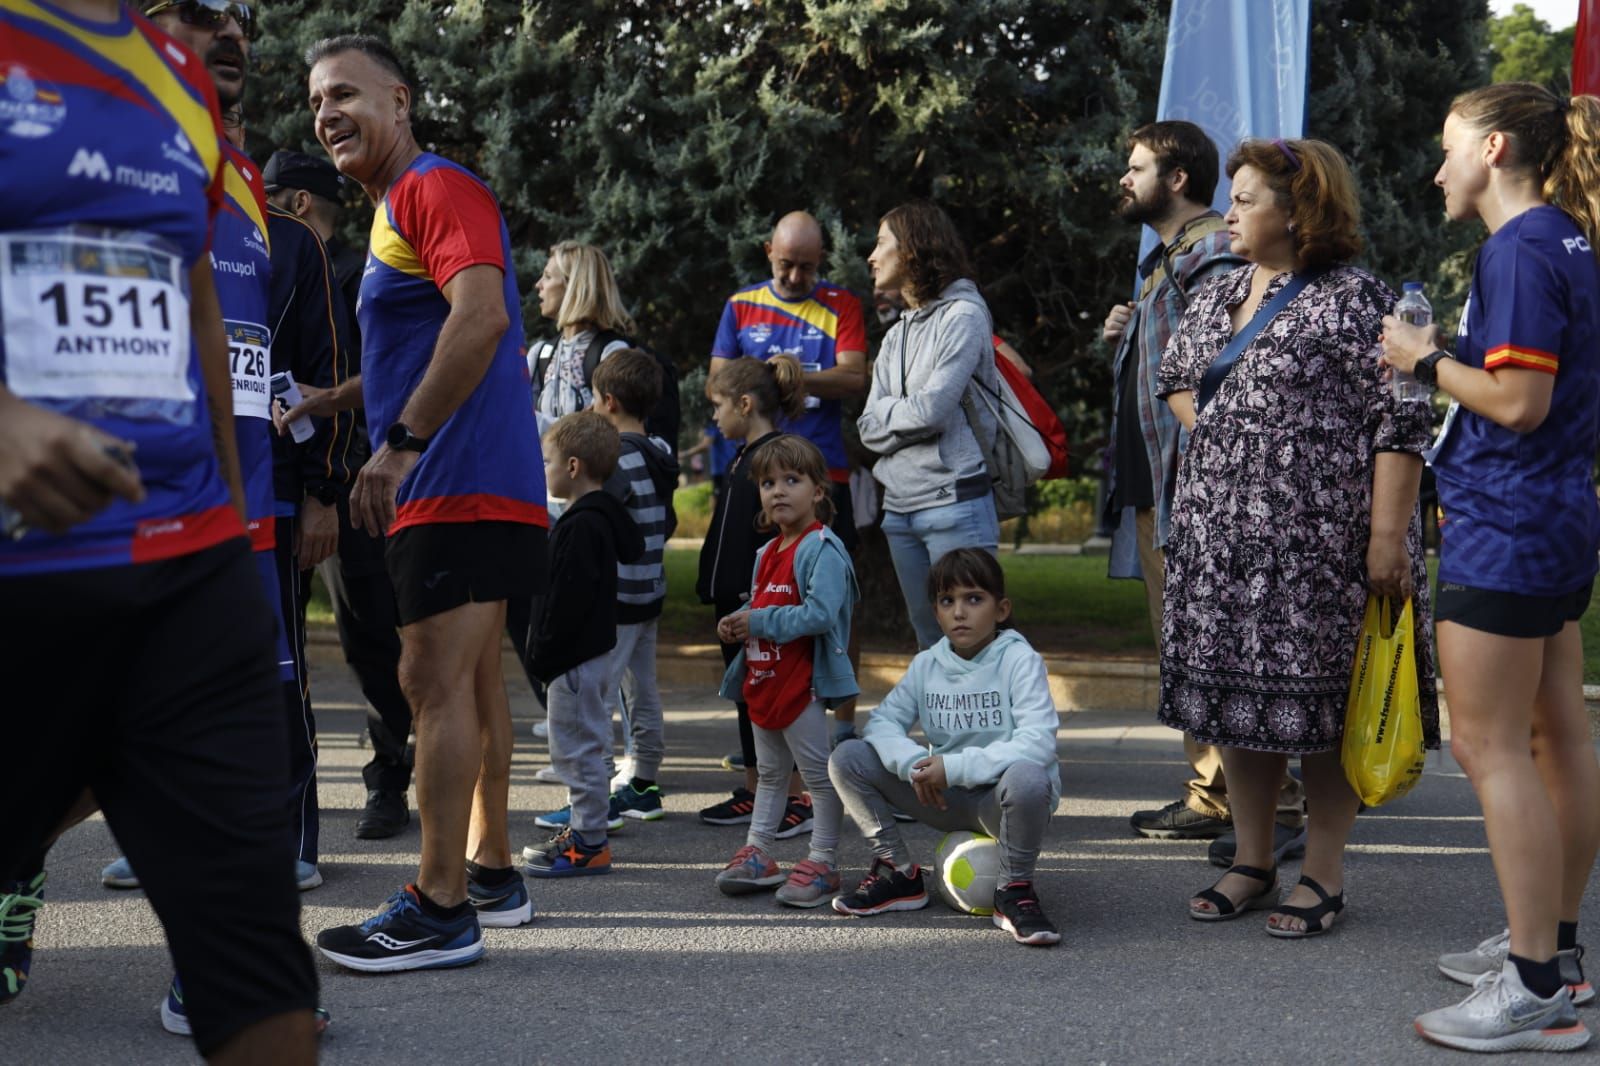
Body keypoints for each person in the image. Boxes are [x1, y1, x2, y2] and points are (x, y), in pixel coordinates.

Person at [0, 0, 318, 1057]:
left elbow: (197, 326)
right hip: (17, 575)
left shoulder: (175, 74)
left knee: (263, 981)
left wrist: (230, 539)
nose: (228, 25)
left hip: (186, 569)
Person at [306, 34, 547, 971]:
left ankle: (441, 906)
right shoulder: (391, 212)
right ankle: (488, 871)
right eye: (317, 101)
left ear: (399, 101)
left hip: (455, 478)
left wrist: (400, 446)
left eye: (346, 94)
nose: (327, 113)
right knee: (475, 686)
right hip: (479, 476)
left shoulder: (430, 187)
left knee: (429, 684)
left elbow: (481, 317)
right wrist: (336, 402)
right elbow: (424, 347)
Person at [1157, 137, 1437, 936]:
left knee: (1319, 711)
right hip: (1222, 546)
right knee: (1242, 708)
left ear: (1298, 208)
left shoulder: (1356, 300)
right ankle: (1251, 860)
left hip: (1320, 548)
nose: (1231, 213)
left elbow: (1404, 417)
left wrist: (1388, 537)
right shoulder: (1216, 293)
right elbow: (1177, 377)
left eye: (1246, 199)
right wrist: (1229, 436)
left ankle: (1321, 873)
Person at [1383, 85, 1600, 1053]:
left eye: (1448, 147)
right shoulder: (1567, 239)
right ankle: (1554, 951)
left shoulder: (1515, 247)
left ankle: (1531, 986)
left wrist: (1421, 360)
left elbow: (1516, 402)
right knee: (1557, 738)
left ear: (1495, 147)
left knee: (1490, 747)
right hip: (1553, 516)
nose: (1438, 169)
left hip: (1505, 522)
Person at [1101, 121, 1307, 863]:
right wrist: (1126, 332)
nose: (1124, 179)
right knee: (1189, 646)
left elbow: (1226, 363)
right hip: (1165, 486)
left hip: (1197, 489)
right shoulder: (1171, 261)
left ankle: (1270, 805)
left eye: (1136, 167)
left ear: (1176, 177)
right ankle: (1215, 792)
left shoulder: (1212, 251)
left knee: (1219, 646)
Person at [265, 147, 414, 840]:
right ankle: (287, 805)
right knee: (284, 648)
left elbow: (362, 382)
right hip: (285, 483)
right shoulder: (268, 268)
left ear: (295, 204)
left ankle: (390, 781)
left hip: (355, 488)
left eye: (267, 197)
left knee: (371, 641)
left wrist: (336, 486)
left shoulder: (357, 272)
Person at [829, 548, 1061, 945]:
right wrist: (916, 764)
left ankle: (1014, 891)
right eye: (947, 600)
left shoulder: (1020, 660)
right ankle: (898, 872)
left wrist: (952, 767)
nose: (959, 612)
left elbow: (1037, 742)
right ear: (935, 612)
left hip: (999, 803)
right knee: (848, 756)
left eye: (974, 599)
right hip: (941, 797)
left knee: (1029, 775)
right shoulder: (927, 664)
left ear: (1001, 609)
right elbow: (883, 723)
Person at [711, 211, 868, 743]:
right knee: (766, 600)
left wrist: (797, 379)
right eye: (785, 265)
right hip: (759, 476)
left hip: (822, 475)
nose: (796, 278)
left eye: (807, 267)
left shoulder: (840, 304)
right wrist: (763, 384)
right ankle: (774, 731)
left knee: (832, 602)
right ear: (766, 252)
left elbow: (854, 375)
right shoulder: (741, 305)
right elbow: (718, 380)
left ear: (821, 260)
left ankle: (841, 729)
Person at [713, 435, 858, 907]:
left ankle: (823, 862)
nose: (778, 491)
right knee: (772, 775)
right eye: (768, 482)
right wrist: (741, 620)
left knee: (819, 778)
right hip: (765, 681)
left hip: (804, 684)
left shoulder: (823, 549)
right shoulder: (767, 552)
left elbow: (820, 614)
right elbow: (767, 605)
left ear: (818, 491)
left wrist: (757, 619)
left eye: (792, 480)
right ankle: (758, 853)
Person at [857, 200, 1000, 650]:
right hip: (899, 509)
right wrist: (904, 414)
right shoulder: (896, 333)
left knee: (971, 642)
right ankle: (943, 725)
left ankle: (990, 725)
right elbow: (866, 425)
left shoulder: (964, 315)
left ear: (914, 248)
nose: (871, 256)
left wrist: (891, 415)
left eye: (882, 243)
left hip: (954, 503)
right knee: (930, 643)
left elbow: (934, 410)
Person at [694, 356, 817, 835]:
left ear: (744, 404)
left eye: (718, 406)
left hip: (758, 602)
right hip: (733, 599)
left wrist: (759, 594)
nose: (715, 417)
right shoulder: (743, 456)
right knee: (748, 696)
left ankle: (795, 798)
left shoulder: (776, 457)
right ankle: (754, 789)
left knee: (771, 696)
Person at [522, 412, 644, 877]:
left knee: (575, 752)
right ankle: (584, 828)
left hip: (572, 658)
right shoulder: (601, 516)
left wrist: (542, 655)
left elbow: (564, 601)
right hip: (589, 655)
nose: (544, 469)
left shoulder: (580, 526)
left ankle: (590, 841)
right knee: (585, 745)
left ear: (573, 466)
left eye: (548, 460)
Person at [593, 349, 678, 810]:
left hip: (620, 593)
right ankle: (644, 780)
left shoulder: (617, 459)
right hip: (652, 588)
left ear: (608, 401)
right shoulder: (660, 452)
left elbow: (600, 521)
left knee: (599, 690)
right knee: (642, 687)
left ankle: (596, 786)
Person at [529, 241, 635, 437]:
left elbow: (605, 427)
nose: (538, 285)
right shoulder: (539, 355)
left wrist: (535, 422)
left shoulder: (612, 352)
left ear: (574, 285)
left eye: (548, 276)